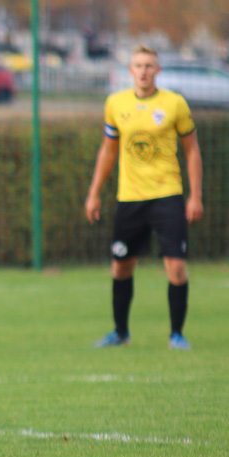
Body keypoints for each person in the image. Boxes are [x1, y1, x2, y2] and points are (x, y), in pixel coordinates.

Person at [85, 44, 203, 350]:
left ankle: (177, 334)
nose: (143, 71)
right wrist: (94, 193)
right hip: (130, 198)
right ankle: (120, 332)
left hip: (167, 196)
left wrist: (195, 196)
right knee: (121, 266)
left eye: (149, 65)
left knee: (176, 267)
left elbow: (191, 150)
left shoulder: (175, 104)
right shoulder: (115, 104)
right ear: (130, 71)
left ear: (158, 71)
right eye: (138, 65)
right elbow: (108, 150)